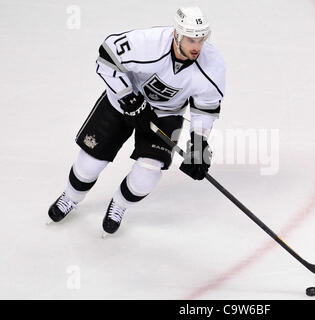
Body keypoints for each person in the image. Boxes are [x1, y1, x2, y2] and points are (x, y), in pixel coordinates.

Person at [48, 7, 225, 235]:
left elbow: (206, 107)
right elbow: (107, 55)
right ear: (177, 35)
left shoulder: (214, 65)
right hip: (121, 103)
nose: (197, 47)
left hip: (165, 114)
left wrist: (199, 145)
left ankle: (119, 206)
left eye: (202, 39)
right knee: (89, 164)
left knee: (146, 176)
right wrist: (129, 98)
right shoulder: (148, 43)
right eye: (191, 39)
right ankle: (70, 197)